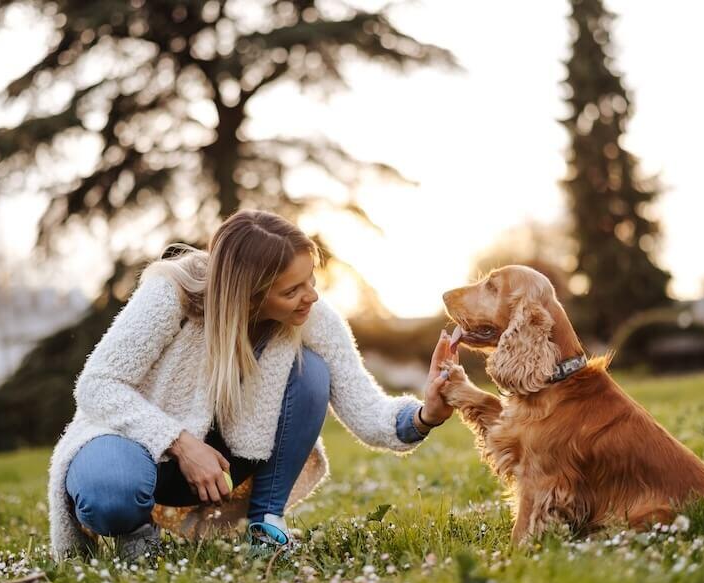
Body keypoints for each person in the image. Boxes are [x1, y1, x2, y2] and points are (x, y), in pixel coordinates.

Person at [46, 210, 456, 560]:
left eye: (311, 279)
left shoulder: (311, 316)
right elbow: (98, 384)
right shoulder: (172, 292)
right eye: (292, 290)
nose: (310, 296)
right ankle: (136, 539)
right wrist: (181, 443)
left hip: (226, 466)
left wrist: (423, 415)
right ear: (248, 295)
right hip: (136, 448)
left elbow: (365, 406)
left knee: (309, 369)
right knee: (109, 494)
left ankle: (266, 524)